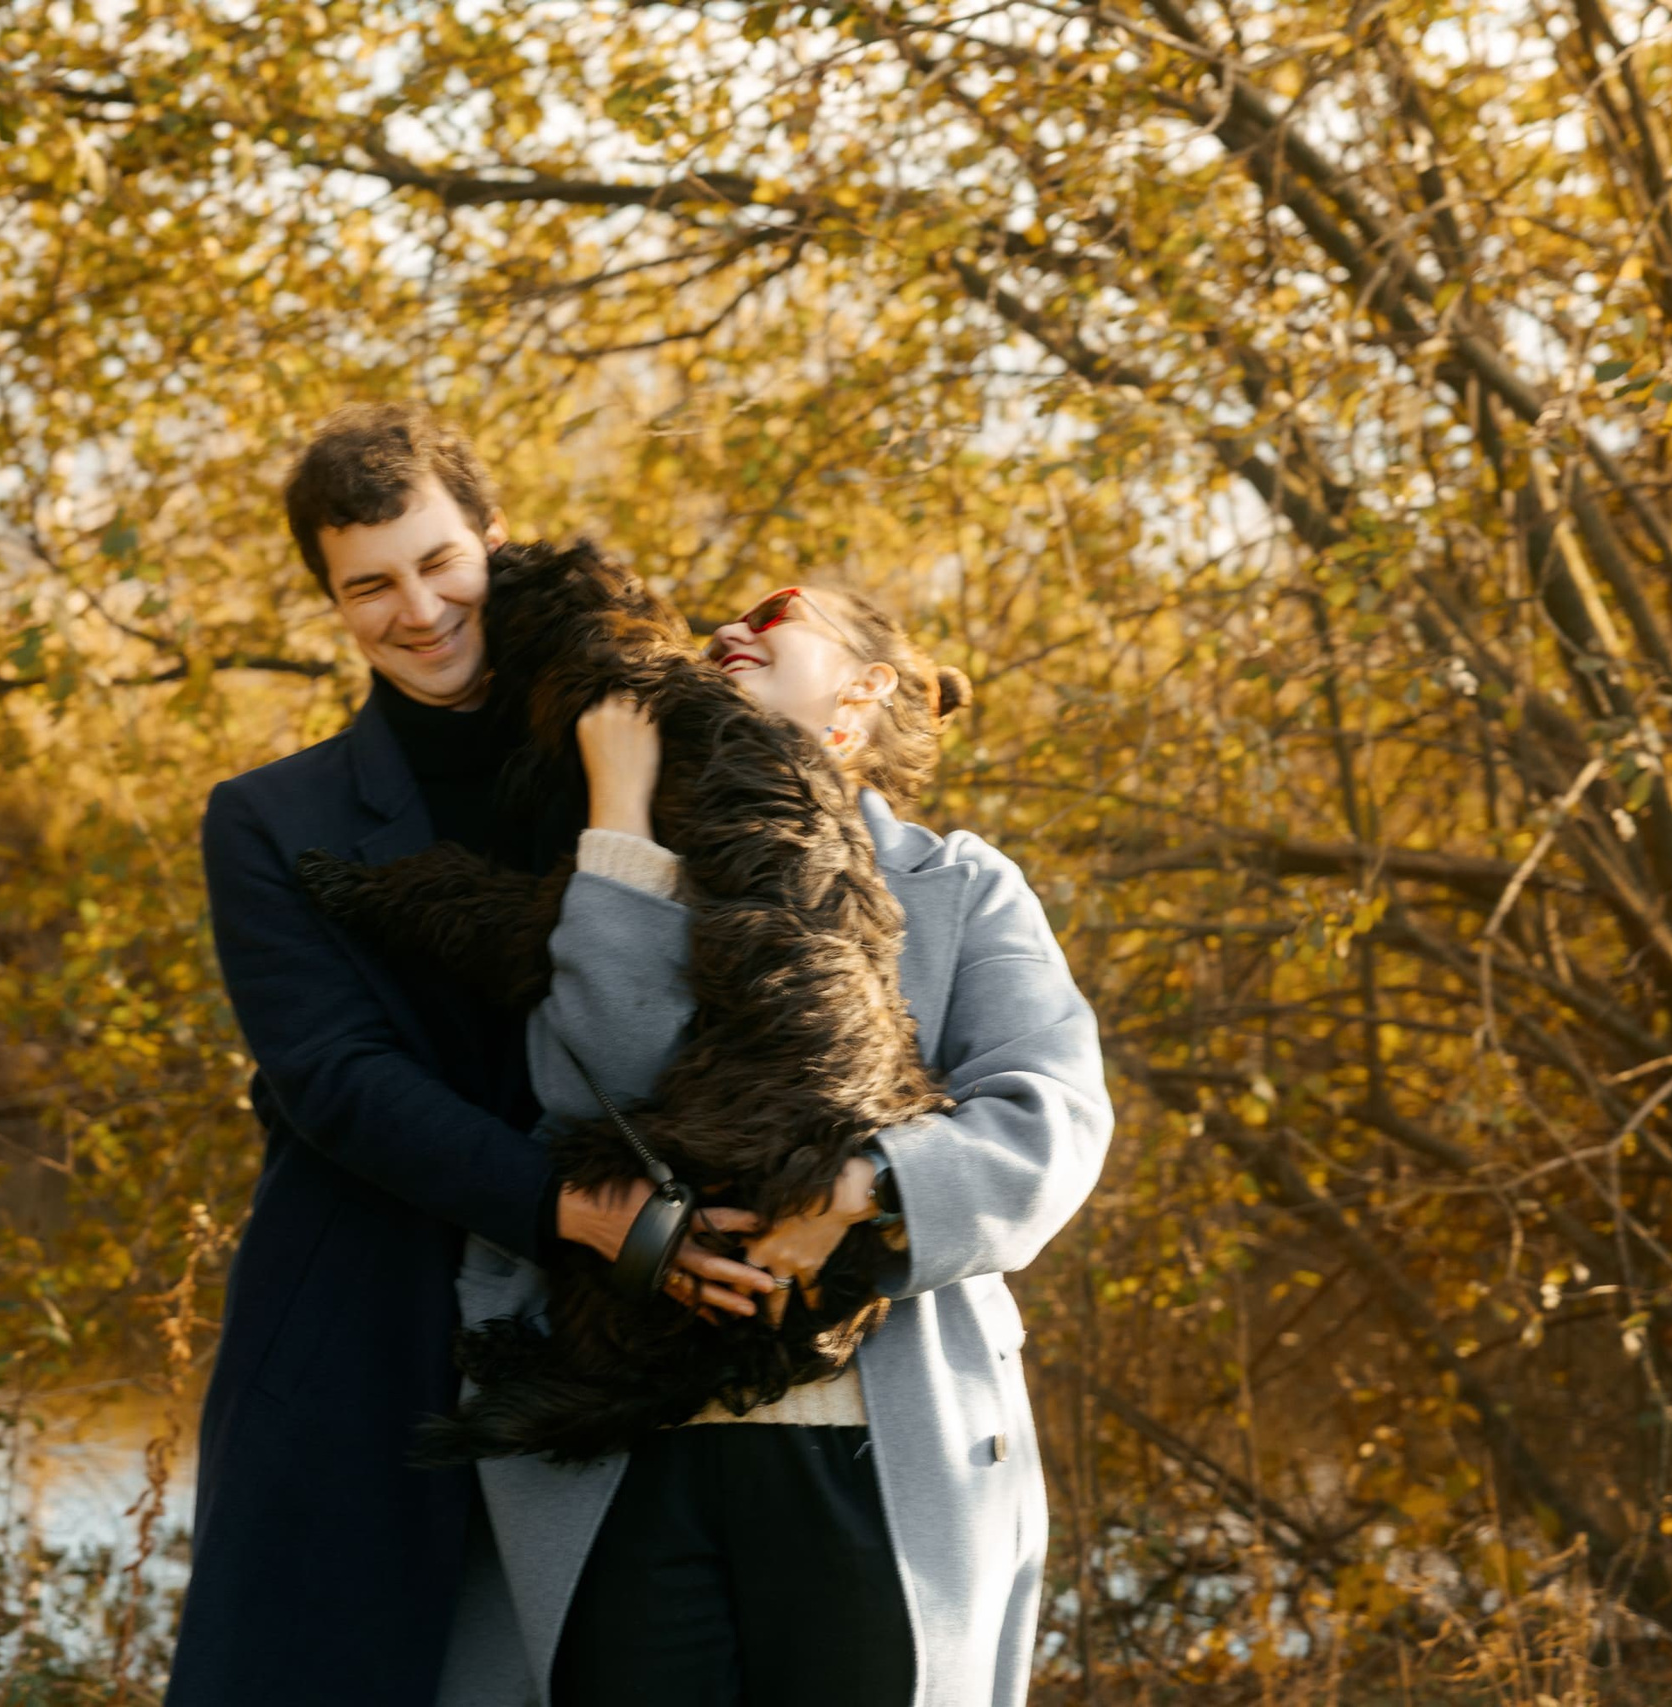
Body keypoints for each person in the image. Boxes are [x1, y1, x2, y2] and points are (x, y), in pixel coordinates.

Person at [169, 405, 772, 1706]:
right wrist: (584, 1211)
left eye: (442, 562)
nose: (420, 608)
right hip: (361, 1320)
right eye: (369, 583)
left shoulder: (633, 757)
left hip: (616, 1329)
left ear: (495, 541)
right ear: (331, 600)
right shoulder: (269, 820)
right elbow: (335, 1079)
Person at [438, 585, 1113, 1707]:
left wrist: (856, 1189)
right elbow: (588, 1091)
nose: (728, 630)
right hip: (624, 1446)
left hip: (880, 1449)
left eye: (775, 610)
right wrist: (618, 820)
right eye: (715, 632)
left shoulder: (958, 889)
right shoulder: (624, 868)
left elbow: (1051, 1121)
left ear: (864, 688)